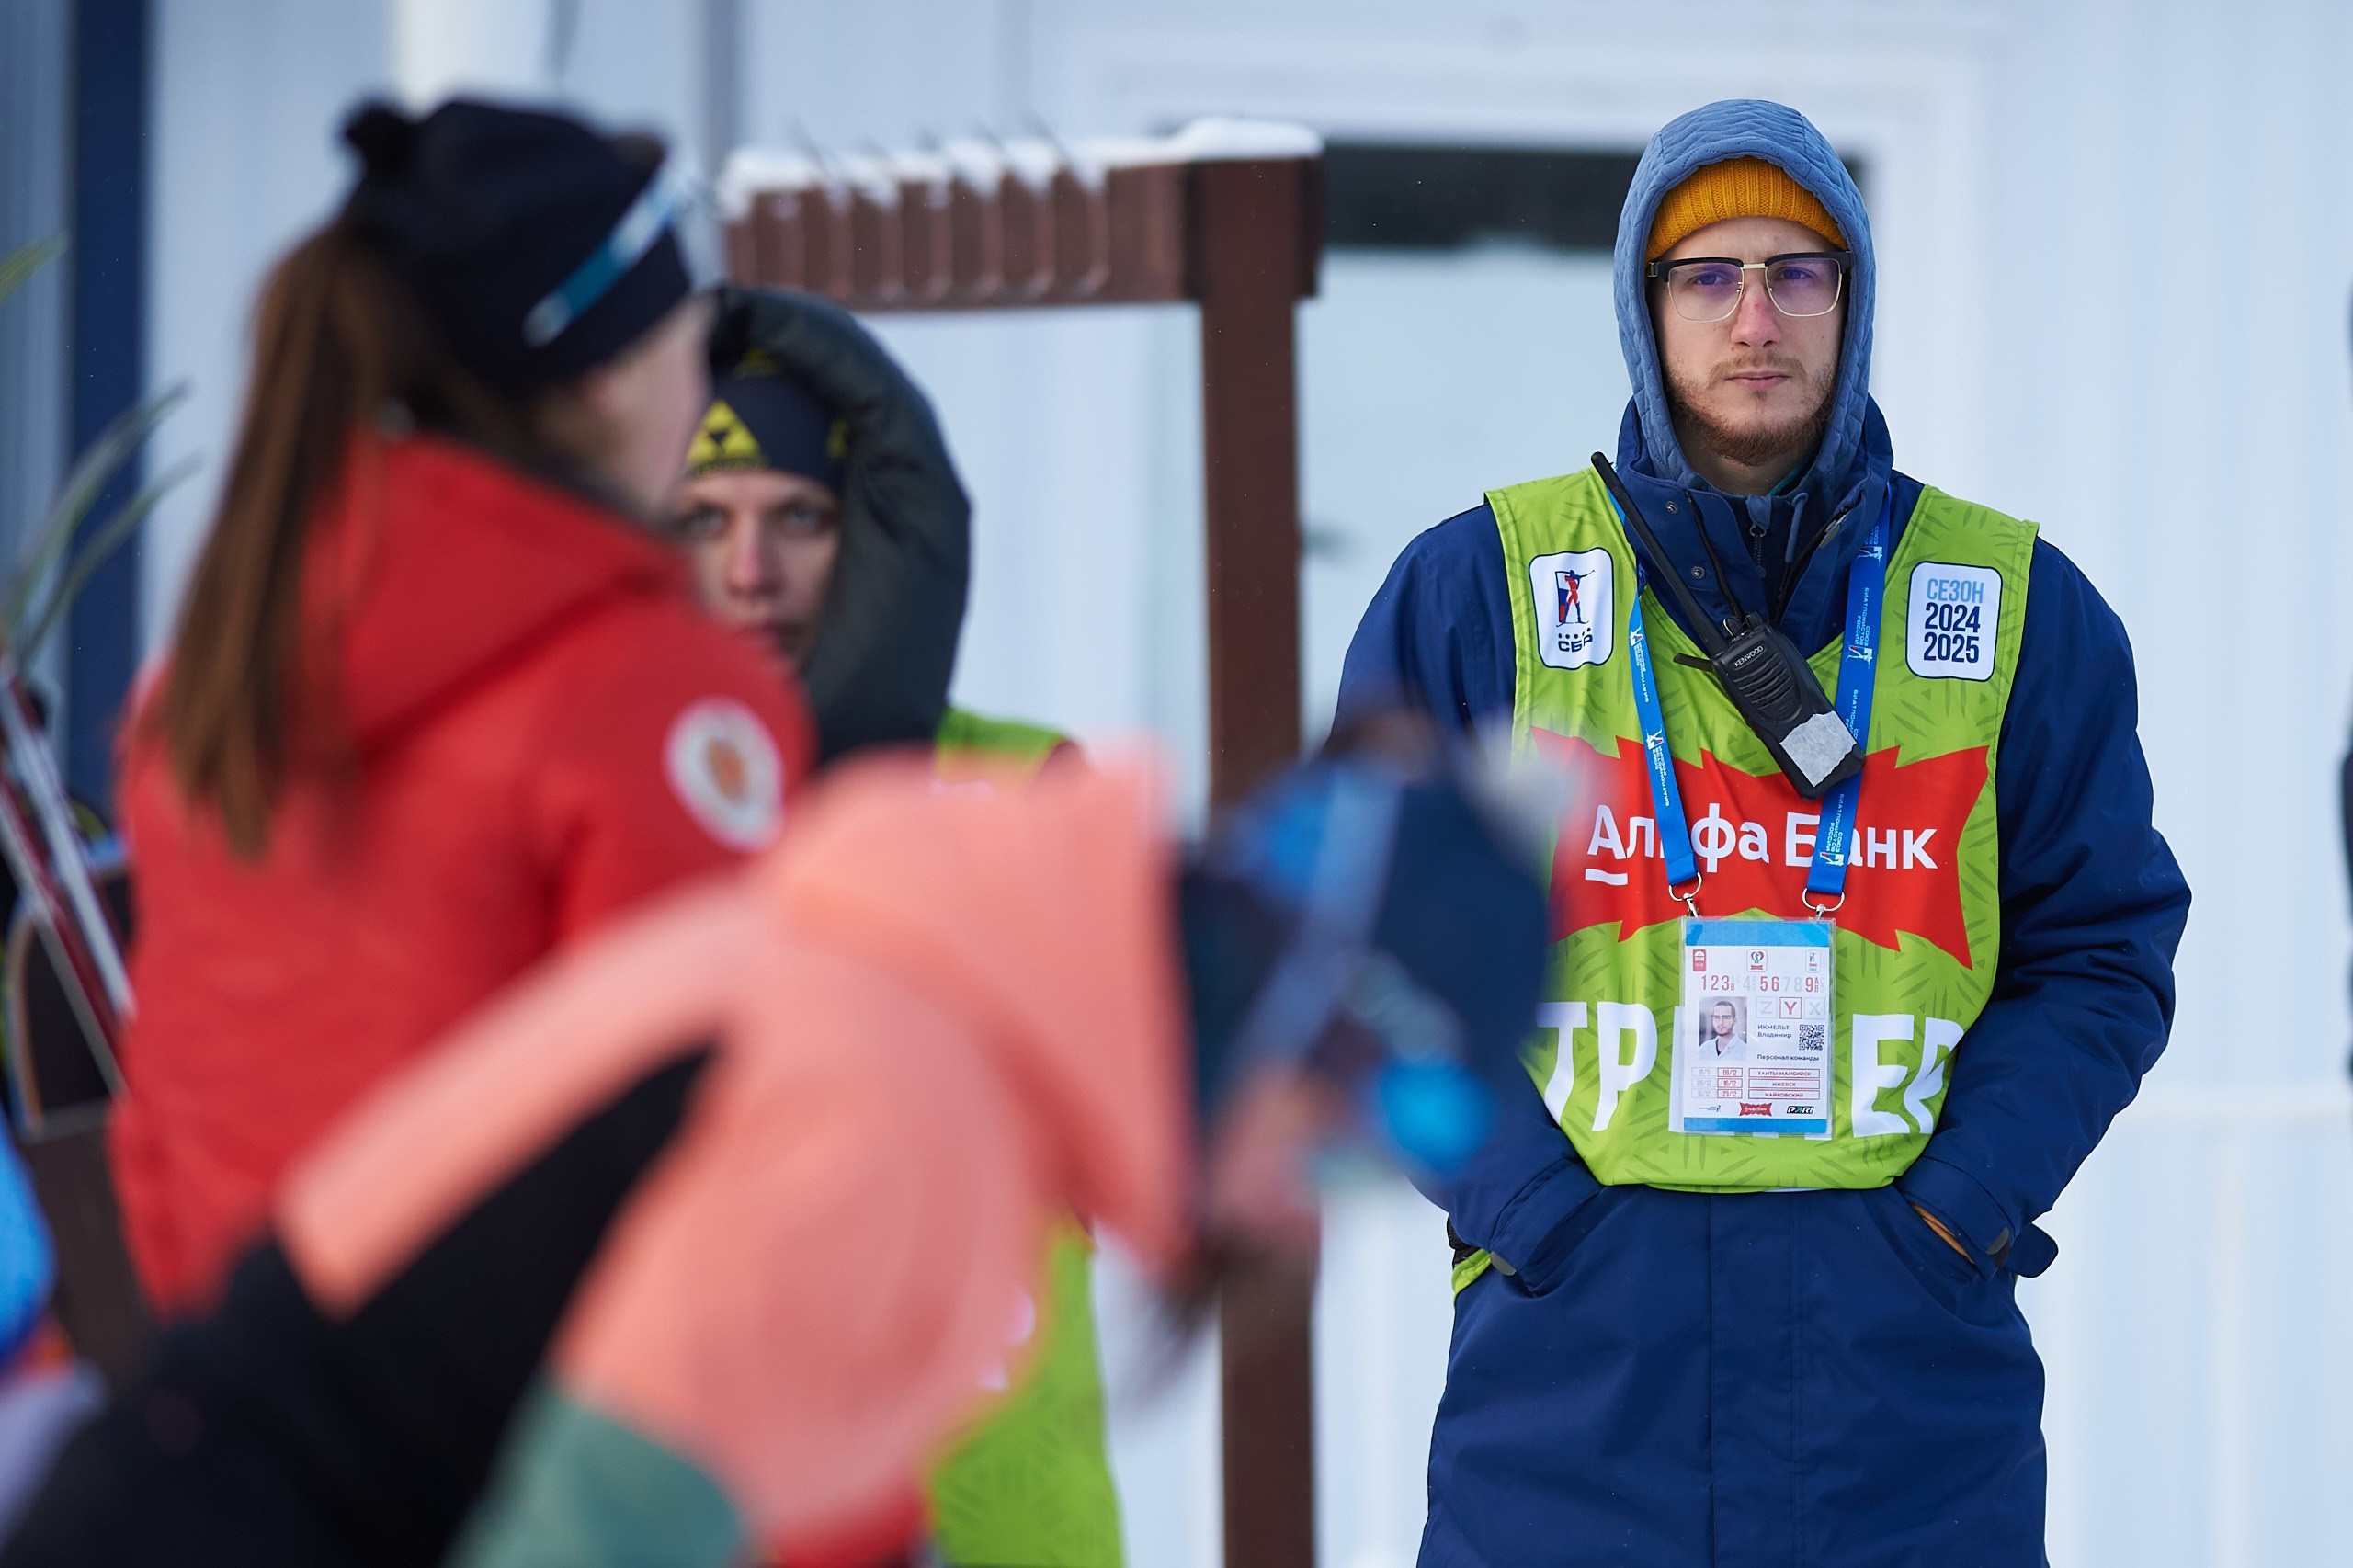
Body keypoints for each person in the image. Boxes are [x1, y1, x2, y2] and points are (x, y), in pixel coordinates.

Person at [0, 725, 1551, 1568]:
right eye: (1369, 1138)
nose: (1315, 1210)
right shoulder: (904, 1112)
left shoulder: (933, 1026)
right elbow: (593, 1536)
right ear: (1299, 1019)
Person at [1337, 99, 2189, 1564]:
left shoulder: (2017, 607)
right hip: (1575, 1385)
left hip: (1906, 1395)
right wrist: (1537, 1215)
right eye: (1707, 273)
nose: (1755, 316)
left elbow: (2101, 949)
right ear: (1642, 306)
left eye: (1798, 272)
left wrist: (1955, 1209)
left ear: (1851, 306)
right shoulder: (1479, 586)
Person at [107, 97, 814, 1319]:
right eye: (690, 350)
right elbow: (720, 1180)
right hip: (535, 1491)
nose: (703, 403)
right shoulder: (652, 700)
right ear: (602, 379)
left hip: (253, 1454)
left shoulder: (205, 684)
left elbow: (160, 1137)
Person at [668, 287, 1100, 1567]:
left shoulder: (1029, 786)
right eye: (705, 522)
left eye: (798, 516)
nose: (752, 572)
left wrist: (861, 758)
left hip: (1012, 1515)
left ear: (872, 528)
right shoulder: (619, 797)